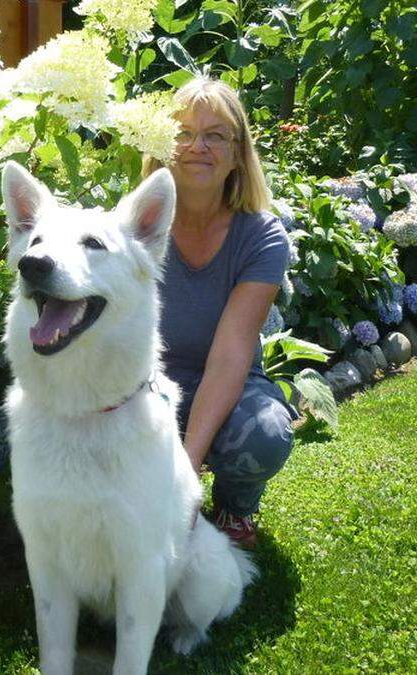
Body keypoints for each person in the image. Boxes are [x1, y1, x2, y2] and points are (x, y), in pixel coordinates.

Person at [142, 76, 299, 549]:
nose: (197, 147)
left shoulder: (261, 237)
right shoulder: (136, 225)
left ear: (237, 153)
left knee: (266, 434)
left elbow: (231, 356)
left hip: (225, 380)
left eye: (215, 135)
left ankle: (234, 505)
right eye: (183, 133)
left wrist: (186, 474)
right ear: (160, 145)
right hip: (145, 382)